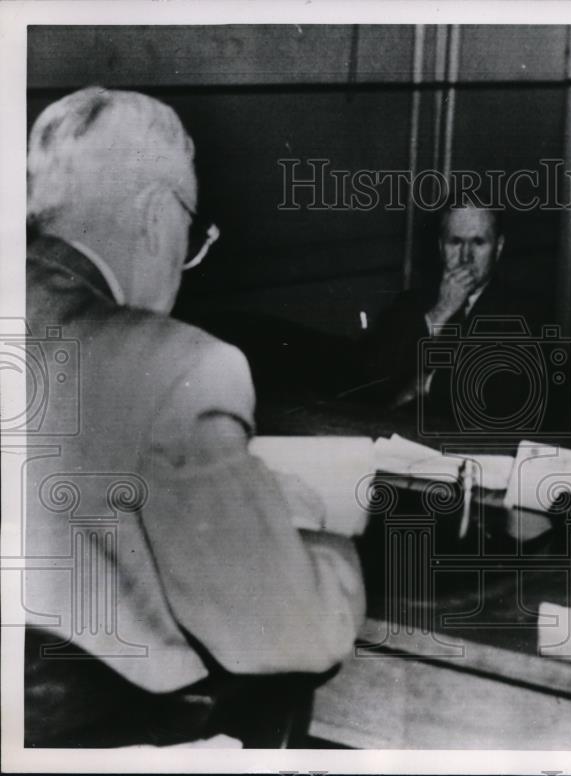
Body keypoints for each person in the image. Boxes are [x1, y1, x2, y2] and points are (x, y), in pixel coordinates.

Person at [23, 87, 364, 746]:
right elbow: (284, 633)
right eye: (190, 234)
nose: (187, 263)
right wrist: (327, 538)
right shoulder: (181, 365)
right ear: (155, 217)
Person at [361, 205, 554, 433]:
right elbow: (372, 381)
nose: (466, 257)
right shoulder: (410, 304)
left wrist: (425, 386)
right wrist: (440, 312)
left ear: (498, 247)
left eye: (479, 242)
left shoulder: (528, 314)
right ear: (441, 247)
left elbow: (504, 399)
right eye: (455, 242)